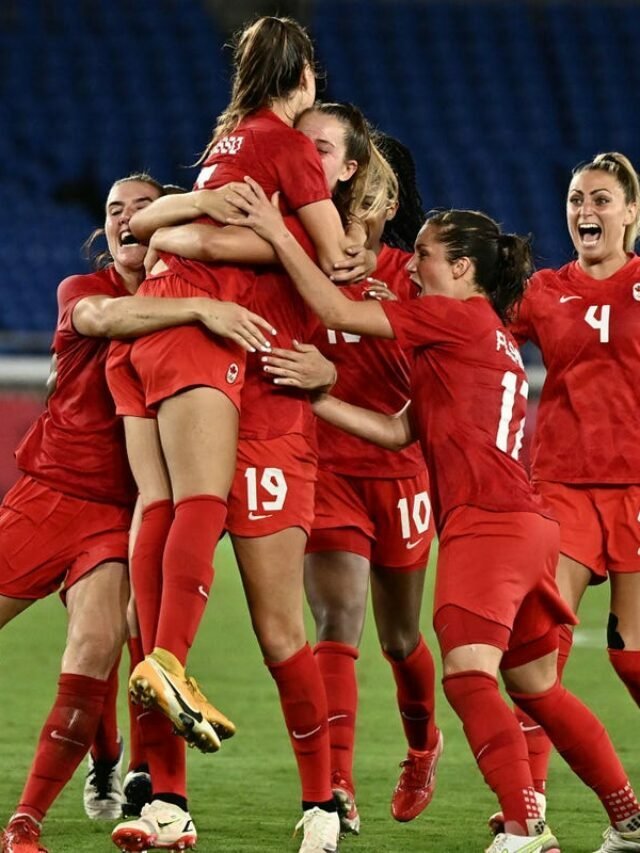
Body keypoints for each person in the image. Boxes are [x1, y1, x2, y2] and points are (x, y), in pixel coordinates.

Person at [225, 183, 640, 853]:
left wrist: (276, 231)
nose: (410, 266)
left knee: (468, 675)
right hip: (529, 525)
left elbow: (332, 305)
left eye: (422, 254)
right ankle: (627, 816)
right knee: (535, 685)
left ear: (464, 269)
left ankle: (525, 827)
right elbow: (398, 431)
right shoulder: (484, 335)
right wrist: (321, 393)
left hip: (487, 526)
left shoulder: (456, 317)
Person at [110, 100, 384, 853]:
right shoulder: (267, 210)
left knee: (278, 628)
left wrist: (330, 373)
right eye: (301, 143)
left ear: (346, 166)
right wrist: (193, 218)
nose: (303, 154)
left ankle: (322, 799)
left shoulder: (330, 235)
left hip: (271, 429)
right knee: (156, 619)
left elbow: (367, 327)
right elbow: (168, 230)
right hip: (201, 397)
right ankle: (167, 800)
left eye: (321, 148)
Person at [0, 174, 272, 853]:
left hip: (119, 517)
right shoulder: (82, 291)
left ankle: (24, 824)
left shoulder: (187, 296)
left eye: (143, 208)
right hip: (47, 495)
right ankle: (106, 753)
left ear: (167, 225)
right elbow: (100, 321)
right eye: (115, 210)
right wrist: (203, 310)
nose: (126, 219)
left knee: (98, 648)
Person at [502, 151, 640, 852]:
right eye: (577, 198)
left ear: (632, 215)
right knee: (535, 657)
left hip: (639, 492)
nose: (587, 209)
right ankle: (532, 815)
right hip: (561, 490)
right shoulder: (544, 292)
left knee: (632, 659)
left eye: (603, 199)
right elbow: (479, 328)